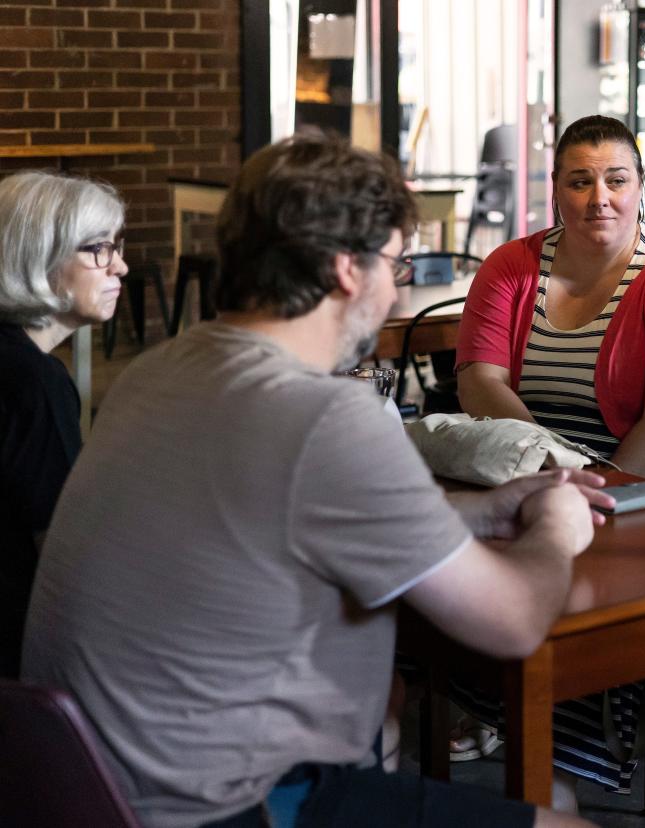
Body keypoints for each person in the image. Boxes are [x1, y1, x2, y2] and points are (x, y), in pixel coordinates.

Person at [21, 135, 607, 828]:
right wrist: (554, 531)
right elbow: (513, 622)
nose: (400, 287)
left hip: (78, 791)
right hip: (223, 808)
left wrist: (482, 512)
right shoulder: (324, 415)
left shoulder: (162, 368)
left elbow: (277, 517)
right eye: (396, 263)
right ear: (346, 270)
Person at [452, 115, 645, 804]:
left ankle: (564, 750)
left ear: (641, 186)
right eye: (579, 181)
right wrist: (548, 470)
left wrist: (588, 489)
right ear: (555, 188)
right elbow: (478, 380)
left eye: (616, 180)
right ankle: (503, 708)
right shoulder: (512, 266)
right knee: (455, 549)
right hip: (540, 467)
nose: (598, 198)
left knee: (573, 570)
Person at [0, 170, 127, 679]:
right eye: (99, 249)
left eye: (117, 245)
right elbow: (62, 555)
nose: (120, 264)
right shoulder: (34, 383)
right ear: (39, 257)